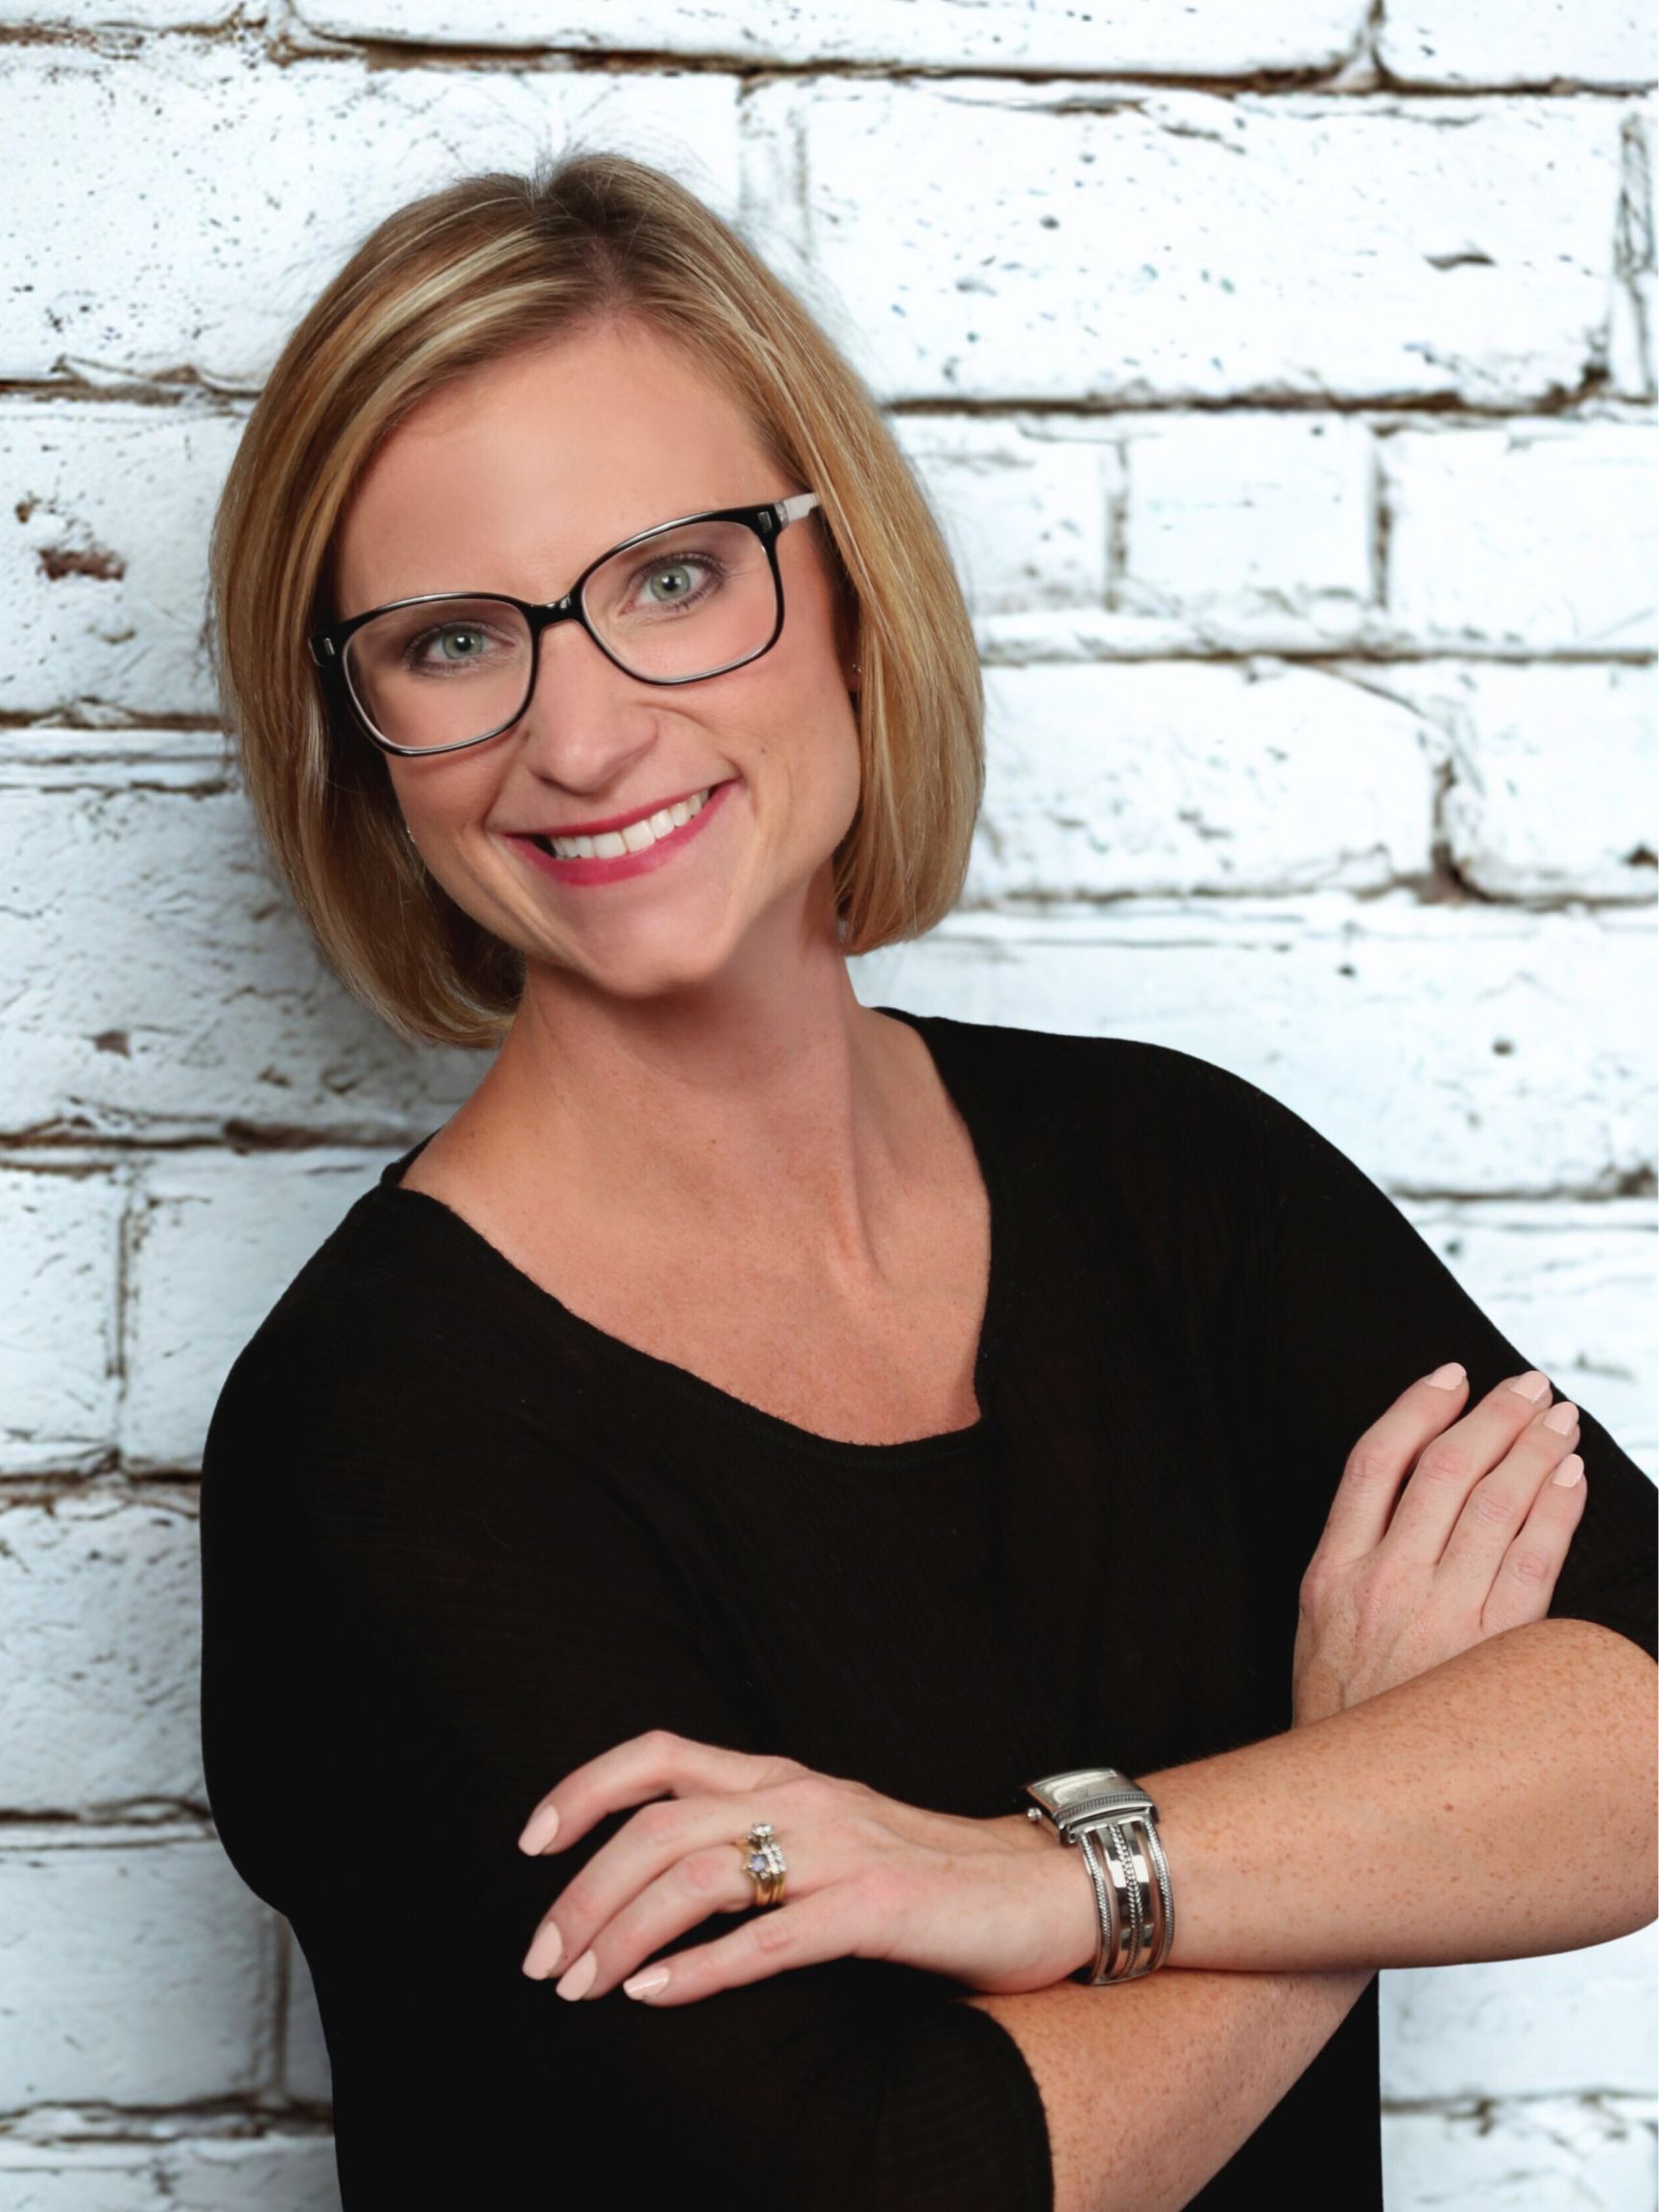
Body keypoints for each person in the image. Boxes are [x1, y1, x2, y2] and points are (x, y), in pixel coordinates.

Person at [196, 150, 1657, 2210]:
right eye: (453, 643)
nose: (588, 737)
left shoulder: (1178, 1177)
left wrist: (1038, 1880)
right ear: (358, 740)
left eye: (677, 578)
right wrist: (1358, 1816)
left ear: (844, 581)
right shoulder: (382, 1445)